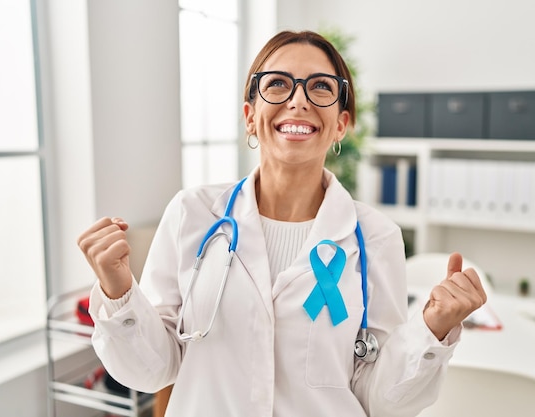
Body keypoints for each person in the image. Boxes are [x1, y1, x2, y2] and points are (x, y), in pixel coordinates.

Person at [77, 30, 487, 417]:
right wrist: (118, 292)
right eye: (277, 84)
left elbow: (379, 399)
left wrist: (433, 329)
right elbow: (151, 371)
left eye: (321, 87)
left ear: (341, 124)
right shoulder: (192, 214)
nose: (298, 100)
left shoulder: (376, 238)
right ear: (250, 116)